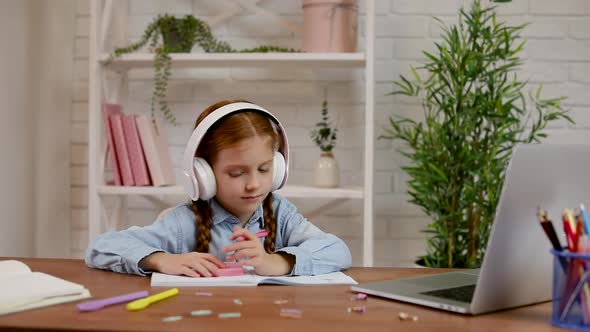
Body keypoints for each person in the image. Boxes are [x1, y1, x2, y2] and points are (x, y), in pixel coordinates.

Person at [85, 100, 352, 277]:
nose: (254, 184)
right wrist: (160, 260)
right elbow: (101, 248)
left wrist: (275, 263)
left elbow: (338, 251)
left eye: (264, 169)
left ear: (279, 167)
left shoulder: (281, 213)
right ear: (204, 173)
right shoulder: (185, 222)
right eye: (236, 173)